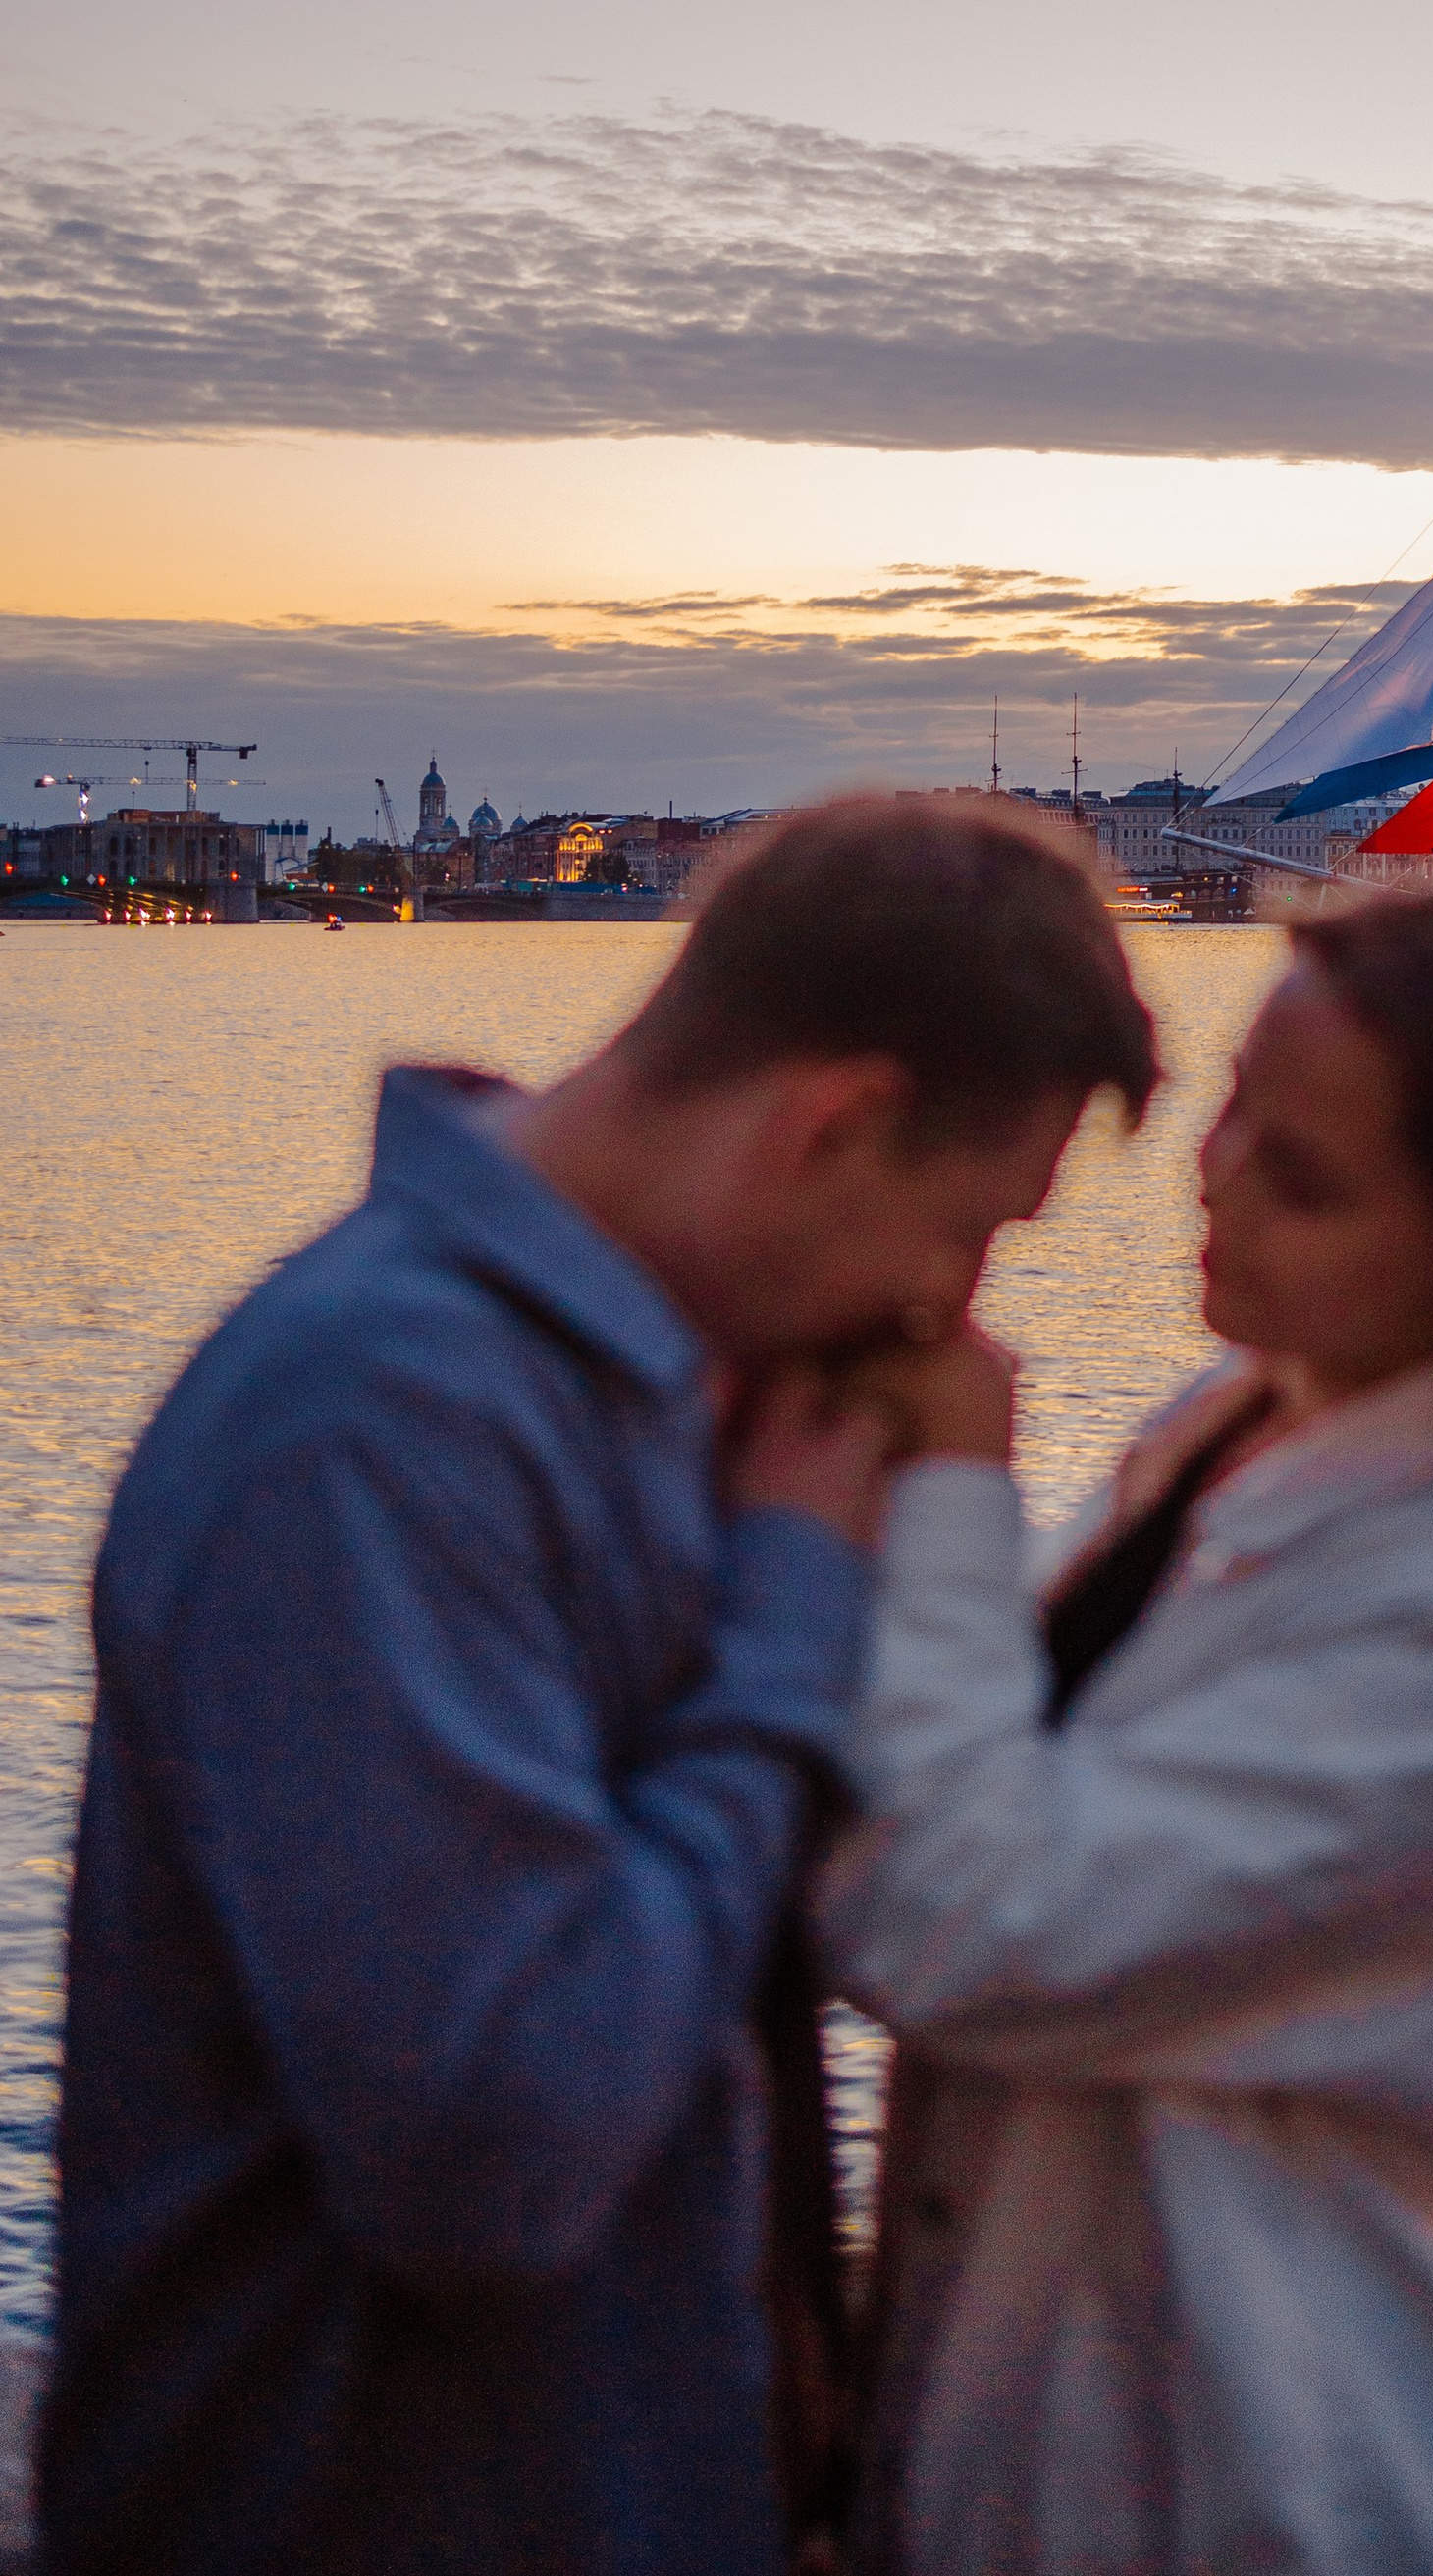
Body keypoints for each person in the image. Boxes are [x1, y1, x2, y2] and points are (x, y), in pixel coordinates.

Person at [41, 797, 1156, 2576]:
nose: (954, 1311)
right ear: (831, 1124)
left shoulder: (648, 1396)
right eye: (967, 1229)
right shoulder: (375, 1430)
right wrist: (791, 1606)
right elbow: (498, 2151)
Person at [820, 877, 1433, 2576]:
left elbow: (969, 1920)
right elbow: (996, 1751)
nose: (1215, 1174)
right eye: (1233, 1104)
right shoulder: (1241, 1426)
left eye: (1302, 1174)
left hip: (1321, 2480)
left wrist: (947, 1481)